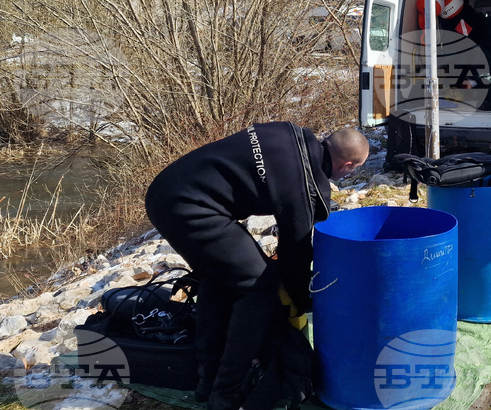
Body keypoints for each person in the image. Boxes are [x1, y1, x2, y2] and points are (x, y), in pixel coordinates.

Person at [145, 124, 369, 410]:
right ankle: (228, 394)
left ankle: (207, 382)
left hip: (166, 191)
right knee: (259, 287)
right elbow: (296, 251)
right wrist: (300, 300)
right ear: (346, 164)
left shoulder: (290, 133)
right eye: (352, 169)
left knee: (221, 279)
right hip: (190, 206)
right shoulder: (303, 186)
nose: (348, 175)